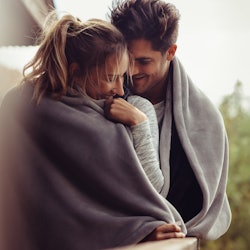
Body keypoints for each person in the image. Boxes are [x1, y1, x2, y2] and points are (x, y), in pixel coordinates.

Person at [0, 11, 186, 250]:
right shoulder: (27, 108)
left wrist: (139, 124)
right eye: (110, 78)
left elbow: (149, 193)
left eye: (122, 77)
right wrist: (136, 232)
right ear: (76, 72)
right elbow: (54, 205)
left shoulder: (131, 112)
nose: (120, 90)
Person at [110, 0, 231, 241]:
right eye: (127, 59)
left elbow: (194, 207)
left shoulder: (205, 122)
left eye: (143, 61)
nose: (131, 72)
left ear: (171, 52)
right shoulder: (103, 94)